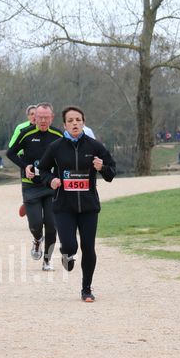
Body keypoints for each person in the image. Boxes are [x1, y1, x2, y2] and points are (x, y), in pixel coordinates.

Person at [39, 105, 116, 303]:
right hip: (63, 206)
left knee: (88, 247)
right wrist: (51, 180)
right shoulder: (55, 147)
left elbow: (111, 173)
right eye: (70, 120)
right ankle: (67, 254)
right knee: (70, 245)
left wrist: (102, 167)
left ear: (83, 123)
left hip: (89, 206)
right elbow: (43, 171)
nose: (75, 123)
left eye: (78, 120)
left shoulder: (94, 146)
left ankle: (86, 289)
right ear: (64, 125)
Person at [6, 103, 63, 271]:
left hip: (51, 186)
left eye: (46, 117)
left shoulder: (59, 135)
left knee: (51, 225)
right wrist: (25, 166)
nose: (43, 121)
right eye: (40, 117)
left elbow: (65, 157)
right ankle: (37, 239)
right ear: (34, 118)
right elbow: (10, 153)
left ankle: (47, 260)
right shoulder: (26, 133)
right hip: (31, 186)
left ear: (52, 118)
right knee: (36, 224)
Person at [8, 105, 36, 218]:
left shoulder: (46, 127)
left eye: (36, 114)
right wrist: (26, 150)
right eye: (32, 114)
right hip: (26, 162)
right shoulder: (21, 128)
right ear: (28, 116)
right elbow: (11, 146)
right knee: (29, 185)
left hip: (42, 161)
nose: (34, 116)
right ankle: (27, 202)